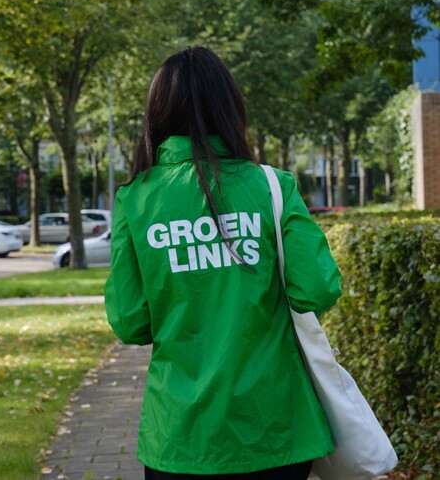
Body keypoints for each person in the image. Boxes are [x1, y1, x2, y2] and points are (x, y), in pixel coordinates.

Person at [104, 45, 342, 480]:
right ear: (230, 108)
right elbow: (317, 288)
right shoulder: (272, 186)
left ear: (157, 114)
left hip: (179, 436)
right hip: (276, 430)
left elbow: (131, 321)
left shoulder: (135, 199)